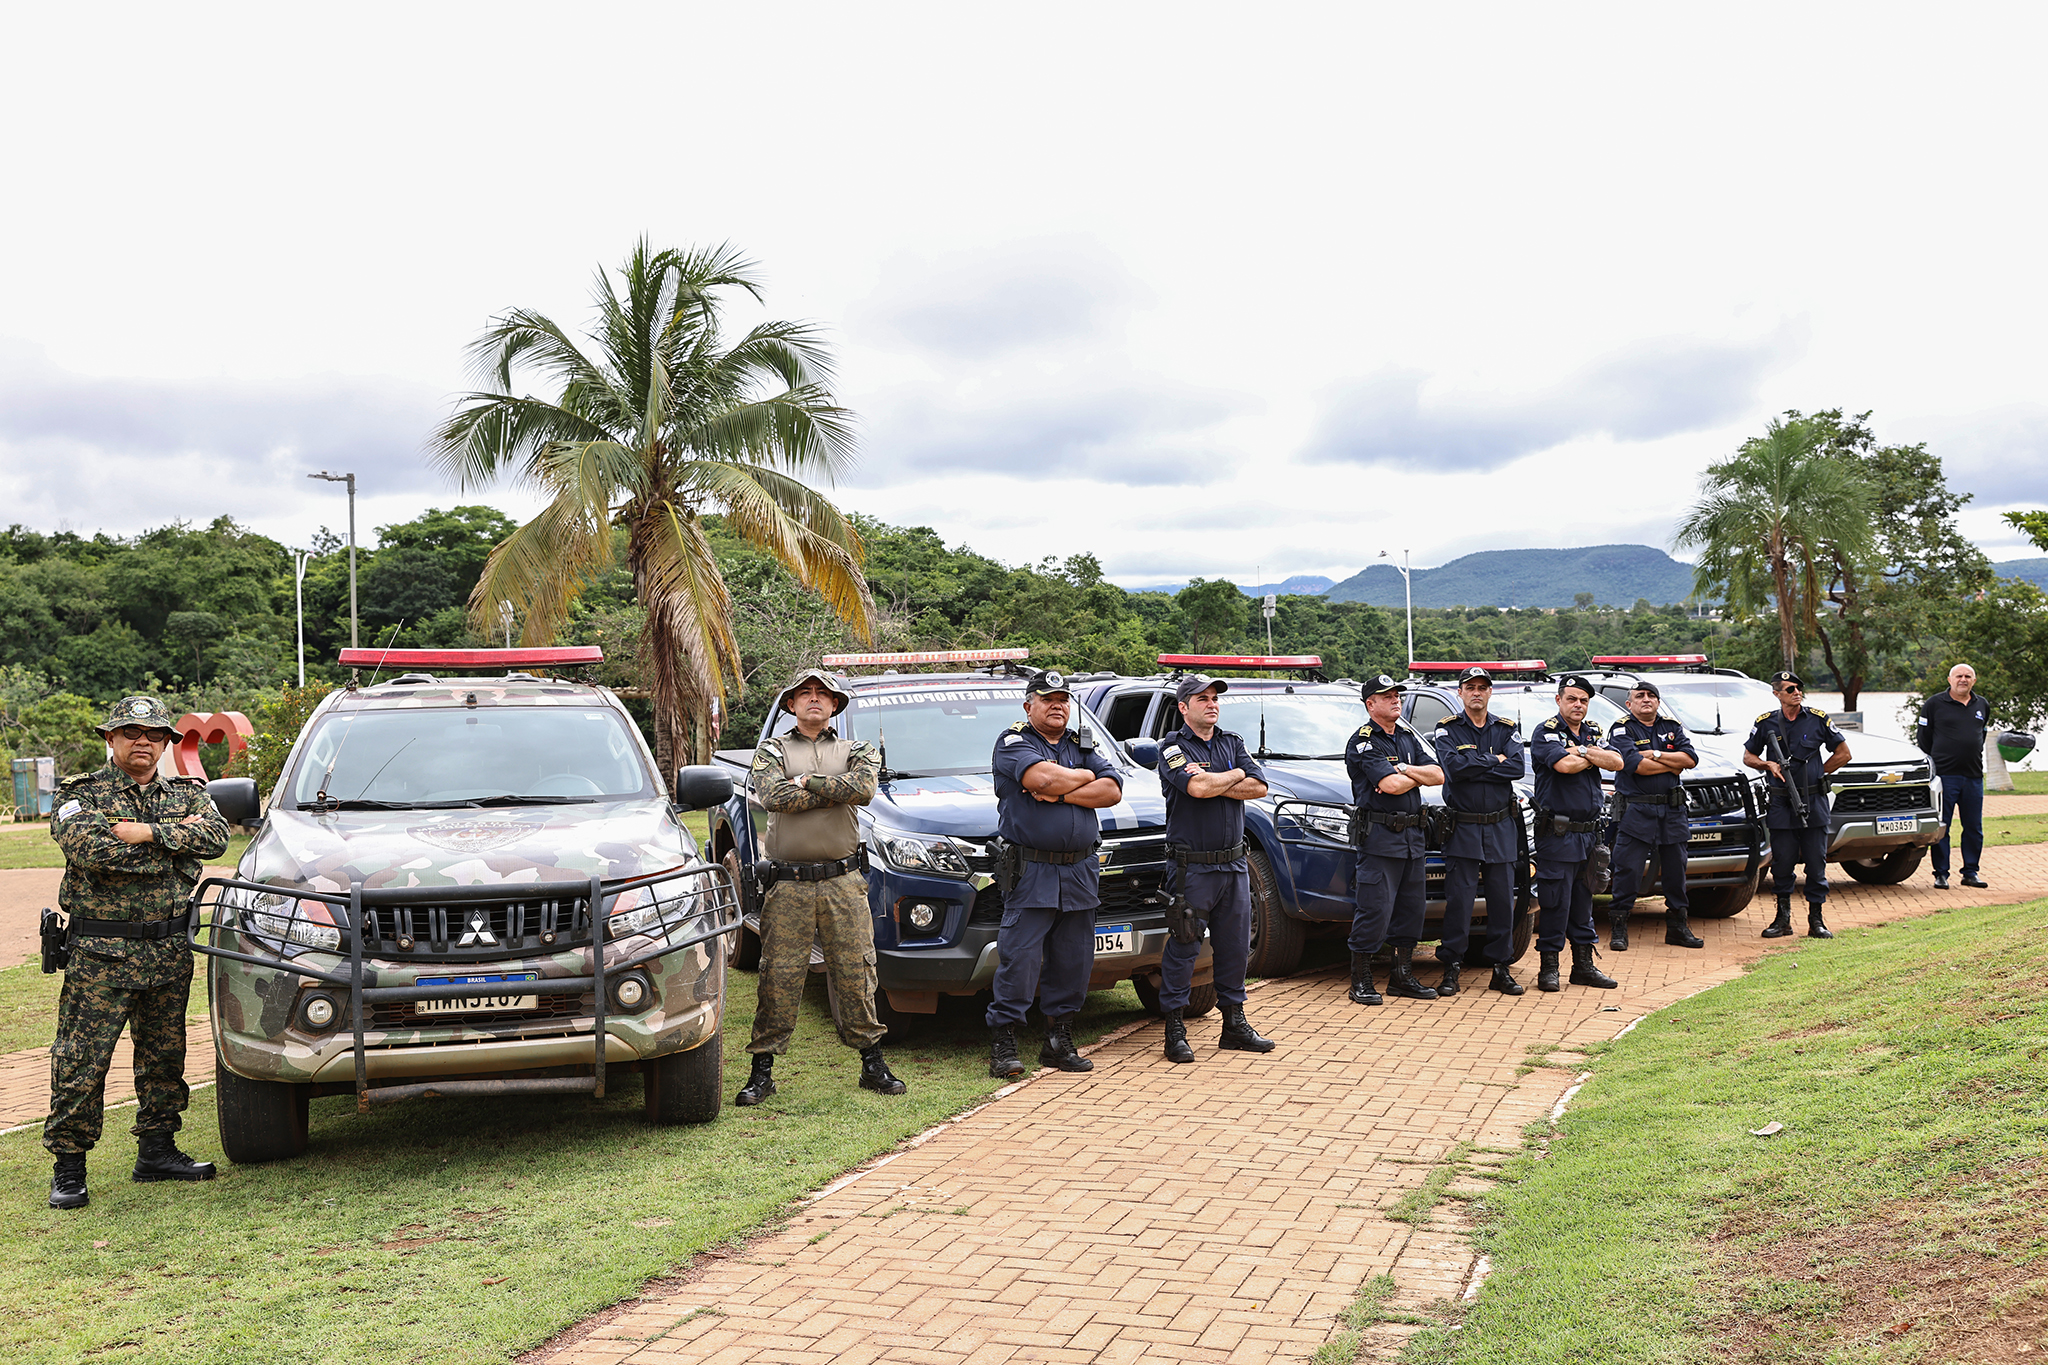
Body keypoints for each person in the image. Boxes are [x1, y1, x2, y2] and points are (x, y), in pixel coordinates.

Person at [45, 696, 229, 1210]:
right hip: (101, 953)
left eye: (153, 733)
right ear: (111, 739)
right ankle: (69, 1166)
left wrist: (147, 833)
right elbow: (91, 850)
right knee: (81, 1061)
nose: (142, 741)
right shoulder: (81, 794)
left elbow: (216, 838)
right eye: (130, 732)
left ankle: (158, 1151)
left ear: (168, 742)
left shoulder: (189, 793)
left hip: (168, 951)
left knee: (164, 1059)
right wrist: (174, 852)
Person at [735, 669, 905, 1106]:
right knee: (779, 975)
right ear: (791, 705)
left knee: (856, 971)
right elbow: (773, 796)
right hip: (788, 884)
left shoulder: (858, 748)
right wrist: (836, 791)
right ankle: (762, 1071)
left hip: (843, 881)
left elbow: (864, 788)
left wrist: (807, 782)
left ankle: (872, 1063)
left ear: (835, 706)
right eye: (804, 694)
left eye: (822, 694)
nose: (814, 699)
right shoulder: (772, 748)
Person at [986, 668, 1124, 1078]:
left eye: (1063, 699)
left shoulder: (1080, 744)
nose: (1057, 706)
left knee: (1074, 960)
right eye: (1047, 699)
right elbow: (1039, 776)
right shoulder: (1013, 742)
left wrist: (1058, 790)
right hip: (1032, 869)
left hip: (1080, 868)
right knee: (1021, 960)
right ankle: (1004, 1042)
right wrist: (1081, 781)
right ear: (1029, 705)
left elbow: (1113, 789)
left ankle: (1058, 1040)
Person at [1152, 673, 1275, 1063]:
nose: (1211, 703)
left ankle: (1234, 1024)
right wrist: (1234, 775)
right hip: (1193, 870)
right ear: (1183, 707)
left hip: (1234, 866)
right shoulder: (1172, 747)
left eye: (1214, 697)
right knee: (1185, 947)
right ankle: (1174, 1029)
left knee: (1235, 949)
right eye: (1201, 698)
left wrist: (1226, 776)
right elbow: (1197, 790)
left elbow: (1259, 787)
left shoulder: (1231, 743)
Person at [1343, 674, 1443, 1005]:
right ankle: (1361, 979)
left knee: (1411, 911)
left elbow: (1439, 774)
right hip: (1380, 839)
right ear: (1371, 704)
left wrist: (1403, 769)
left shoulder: (1406, 737)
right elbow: (1389, 786)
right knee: (1375, 910)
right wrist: (1411, 774)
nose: (1396, 699)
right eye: (1387, 696)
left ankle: (1402, 976)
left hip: (1413, 839)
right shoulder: (1363, 742)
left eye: (1397, 694)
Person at [1431, 667, 1529, 996]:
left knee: (1503, 901)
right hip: (1463, 827)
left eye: (1482, 687)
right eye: (1470, 687)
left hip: (1500, 827)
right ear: (1460, 692)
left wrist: (1479, 761)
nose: (1476, 692)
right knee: (1459, 901)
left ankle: (1501, 968)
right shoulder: (1447, 730)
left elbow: (1517, 767)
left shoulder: (1506, 728)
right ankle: (1451, 967)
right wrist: (1495, 761)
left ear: (1490, 693)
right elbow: (1455, 770)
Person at [1526, 675, 1620, 992]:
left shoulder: (1592, 731)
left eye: (1583, 700)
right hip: (1558, 832)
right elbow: (1563, 766)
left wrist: (1581, 751)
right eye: (1572, 699)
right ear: (1559, 700)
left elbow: (1617, 761)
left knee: (1584, 901)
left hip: (1590, 833)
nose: (1578, 704)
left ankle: (1583, 967)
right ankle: (1548, 968)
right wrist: (1592, 755)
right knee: (1555, 902)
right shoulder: (1546, 731)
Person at [1744, 671, 1851, 939]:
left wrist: (1818, 774)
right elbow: (1748, 756)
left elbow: (1844, 753)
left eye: (1798, 688)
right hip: (1781, 802)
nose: (1796, 692)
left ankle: (1817, 920)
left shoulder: (1817, 719)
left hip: (1813, 800)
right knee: (1782, 863)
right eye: (1790, 689)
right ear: (1777, 694)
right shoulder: (1766, 723)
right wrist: (1767, 764)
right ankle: (1783, 919)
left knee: (1816, 862)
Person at [1605, 680, 1703, 951]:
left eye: (1651, 696)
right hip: (1636, 810)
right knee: (1628, 870)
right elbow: (1636, 766)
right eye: (1640, 696)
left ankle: (1677, 927)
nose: (1646, 700)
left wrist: (1655, 754)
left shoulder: (1671, 727)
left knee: (1675, 871)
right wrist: (1672, 764)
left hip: (1672, 810)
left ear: (1658, 702)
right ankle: (1619, 926)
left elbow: (1691, 759)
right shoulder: (1621, 729)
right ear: (1629, 703)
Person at [1918, 663, 1992, 890]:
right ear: (1949, 679)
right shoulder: (1934, 704)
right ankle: (1941, 874)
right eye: (1959, 676)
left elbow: (1982, 733)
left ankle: (1971, 872)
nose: (1963, 679)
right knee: (1943, 826)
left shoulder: (1982, 705)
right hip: (1945, 776)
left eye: (1968, 676)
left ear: (1974, 681)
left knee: (1973, 827)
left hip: (1973, 776)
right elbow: (1923, 738)